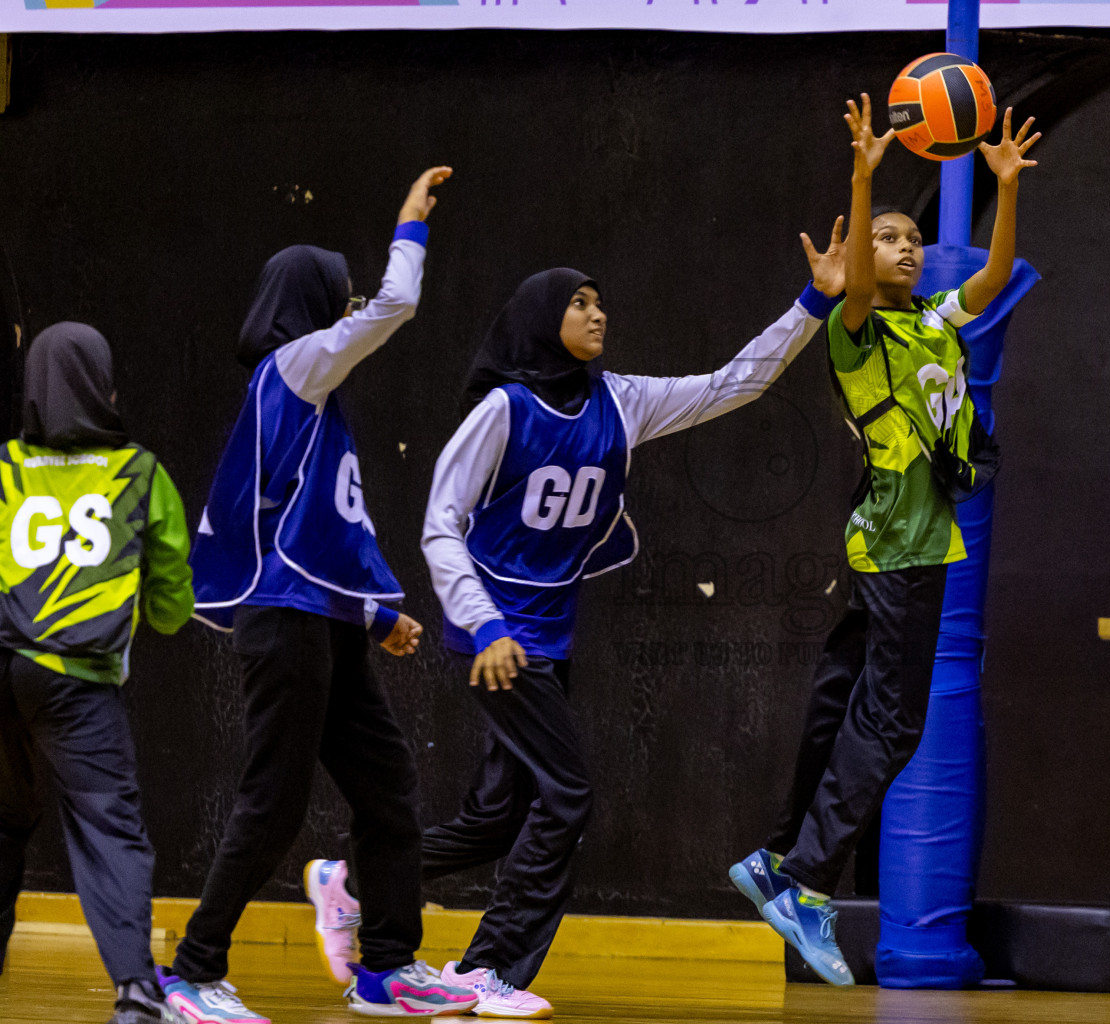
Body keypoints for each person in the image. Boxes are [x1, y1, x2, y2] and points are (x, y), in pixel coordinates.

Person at [299, 226, 846, 1018]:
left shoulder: (620, 401)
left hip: (547, 632)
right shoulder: (502, 410)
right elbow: (439, 525)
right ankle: (492, 971)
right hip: (497, 635)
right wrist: (485, 626)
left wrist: (813, 303)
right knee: (569, 793)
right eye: (578, 303)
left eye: (599, 302)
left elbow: (736, 383)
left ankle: (354, 882)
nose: (596, 314)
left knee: (497, 818)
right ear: (539, 318)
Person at [727, 95, 1041, 986]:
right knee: (895, 723)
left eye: (911, 238)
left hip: (905, 544)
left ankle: (777, 855)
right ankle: (805, 885)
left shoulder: (935, 318)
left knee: (843, 703)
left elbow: (993, 277)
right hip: (900, 546)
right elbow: (854, 283)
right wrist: (864, 180)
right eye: (887, 238)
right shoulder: (854, 327)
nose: (903, 247)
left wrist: (1005, 187)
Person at [158, 167, 478, 1022]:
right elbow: (395, 310)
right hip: (287, 626)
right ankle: (191, 971)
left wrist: (375, 613)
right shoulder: (290, 370)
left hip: (324, 619)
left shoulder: (309, 403)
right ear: (312, 305)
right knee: (274, 800)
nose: (350, 314)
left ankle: (386, 971)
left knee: (387, 785)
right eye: (340, 300)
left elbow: (313, 533)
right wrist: (409, 228)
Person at [0, 322, 195, 1024]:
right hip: (75, 681)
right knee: (110, 829)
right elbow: (173, 608)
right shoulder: (138, 472)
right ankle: (137, 992)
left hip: (2, 669)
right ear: (101, 388)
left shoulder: (4, 467)